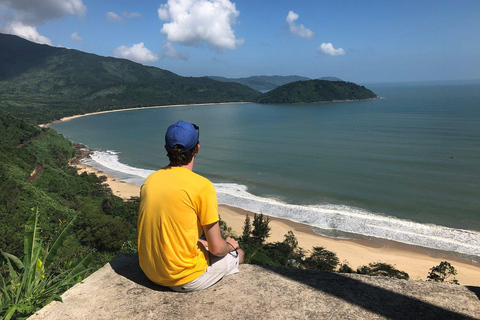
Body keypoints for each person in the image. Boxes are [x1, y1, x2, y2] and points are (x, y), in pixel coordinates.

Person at [137, 120, 244, 292]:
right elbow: (217, 249)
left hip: (150, 272)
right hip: (183, 278)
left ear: (166, 149)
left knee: (205, 245)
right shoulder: (202, 186)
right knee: (238, 254)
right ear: (198, 148)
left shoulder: (150, 182)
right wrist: (231, 245)